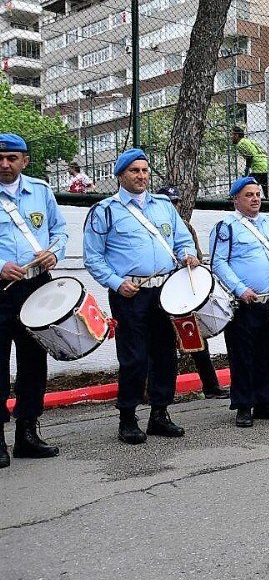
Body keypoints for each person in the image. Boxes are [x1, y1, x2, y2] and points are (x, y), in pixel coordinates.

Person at [83, 148, 199, 444]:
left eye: (145, 170)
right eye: (134, 171)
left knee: (164, 353)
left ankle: (159, 414)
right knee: (134, 357)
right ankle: (128, 417)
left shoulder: (163, 206)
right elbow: (94, 258)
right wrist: (116, 283)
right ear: (120, 175)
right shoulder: (105, 210)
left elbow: (183, 239)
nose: (141, 176)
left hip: (166, 290)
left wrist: (188, 255)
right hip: (130, 293)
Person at [210, 177, 269, 427]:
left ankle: (266, 402)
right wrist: (240, 289)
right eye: (249, 195)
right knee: (243, 355)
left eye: (258, 194)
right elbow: (218, 263)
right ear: (236, 199)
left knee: (268, 352)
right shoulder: (226, 226)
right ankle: (243, 405)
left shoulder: (268, 223)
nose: (256, 199)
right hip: (243, 303)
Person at [0, 133, 67, 468]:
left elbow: (60, 231)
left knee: (33, 361)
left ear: (25, 160)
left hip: (36, 286)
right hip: (0, 290)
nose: (4, 164)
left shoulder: (40, 191)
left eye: (12, 158)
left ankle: (27, 433)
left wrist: (54, 253)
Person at [156, 186, 228, 399]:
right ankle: (152, 391)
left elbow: (196, 256)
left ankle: (211, 386)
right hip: (159, 287)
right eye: (169, 202)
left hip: (182, 290)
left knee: (195, 337)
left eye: (176, 202)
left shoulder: (185, 227)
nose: (174, 206)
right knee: (158, 342)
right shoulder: (150, 223)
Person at [232, 125, 269, 195]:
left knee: (246, 186)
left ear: (236, 135)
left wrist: (246, 172)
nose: (231, 137)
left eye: (232, 134)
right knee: (267, 190)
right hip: (266, 165)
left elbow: (249, 156)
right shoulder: (248, 141)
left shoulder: (240, 144)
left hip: (258, 168)